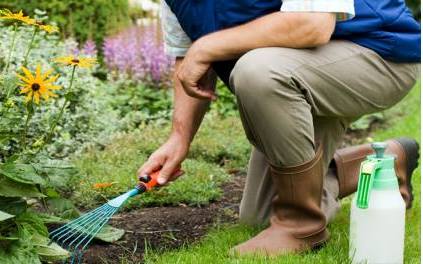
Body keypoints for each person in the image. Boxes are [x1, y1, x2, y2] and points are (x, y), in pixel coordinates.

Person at [138, 0, 421, 256]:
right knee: (260, 218)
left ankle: (300, 225)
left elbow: (313, 25)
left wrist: (206, 47)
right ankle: (383, 166)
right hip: (300, 69)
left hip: (379, 53)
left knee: (257, 70)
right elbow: (190, 63)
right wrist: (179, 138)